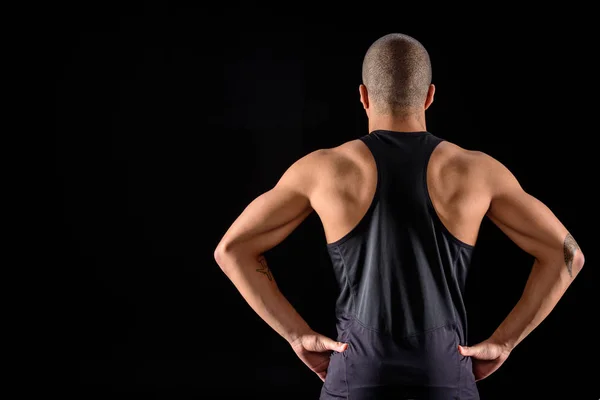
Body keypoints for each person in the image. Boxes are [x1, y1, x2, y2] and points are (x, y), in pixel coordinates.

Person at [213, 33, 585, 399]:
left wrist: (297, 334)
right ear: (429, 96)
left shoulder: (323, 170)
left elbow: (232, 249)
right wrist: (505, 342)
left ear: (363, 96)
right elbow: (567, 254)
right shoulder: (478, 172)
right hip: (446, 374)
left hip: (355, 375)